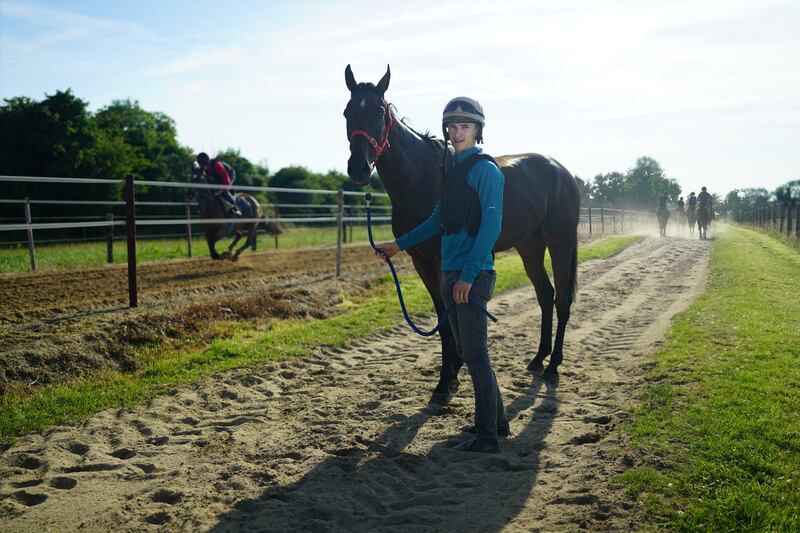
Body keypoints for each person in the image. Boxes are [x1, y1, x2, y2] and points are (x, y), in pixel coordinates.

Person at [374, 96, 508, 454]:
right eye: (451, 125)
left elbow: (491, 227)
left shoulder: (486, 170)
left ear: (478, 130)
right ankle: (499, 421)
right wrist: (398, 245)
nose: (456, 131)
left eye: (464, 126)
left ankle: (486, 437)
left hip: (472, 275)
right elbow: (436, 220)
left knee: (475, 355)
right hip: (452, 273)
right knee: (468, 349)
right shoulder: (450, 170)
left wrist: (467, 276)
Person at [197, 152, 241, 217]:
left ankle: (236, 208)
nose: (204, 168)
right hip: (217, 176)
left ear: (207, 162)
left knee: (224, 192)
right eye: (202, 166)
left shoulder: (217, 165)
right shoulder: (203, 168)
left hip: (229, 175)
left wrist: (220, 191)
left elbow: (227, 182)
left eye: (205, 165)